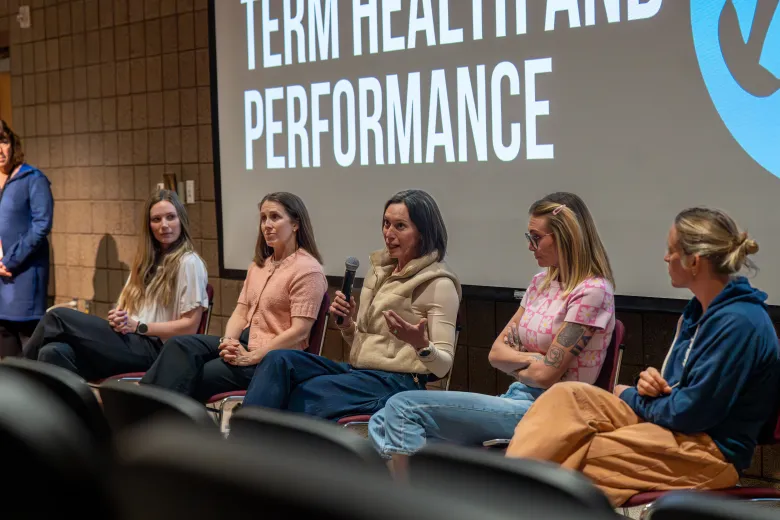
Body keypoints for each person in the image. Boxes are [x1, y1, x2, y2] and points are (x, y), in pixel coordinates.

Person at [505, 207, 780, 507]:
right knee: (566, 395)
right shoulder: (698, 313)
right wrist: (650, 385)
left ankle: (503, 502)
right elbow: (678, 392)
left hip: (709, 452)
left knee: (575, 453)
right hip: (674, 430)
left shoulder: (739, 322)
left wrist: (631, 395)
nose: (665, 258)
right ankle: (503, 494)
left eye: (671, 250)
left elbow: (691, 414)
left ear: (694, 261)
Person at [368, 192, 616, 473]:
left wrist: (528, 364)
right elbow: (496, 354)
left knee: (402, 408)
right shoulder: (541, 283)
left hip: (554, 409)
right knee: (382, 419)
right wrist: (534, 360)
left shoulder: (592, 292)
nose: (530, 246)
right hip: (516, 396)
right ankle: (435, 488)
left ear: (566, 238)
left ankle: (411, 496)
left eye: (536, 238)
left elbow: (546, 376)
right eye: (529, 237)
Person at [241, 189, 461, 420]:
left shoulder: (439, 283)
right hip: (359, 371)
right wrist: (347, 325)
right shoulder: (379, 271)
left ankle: (253, 437)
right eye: (386, 224)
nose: (388, 233)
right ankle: (245, 434)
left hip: (397, 382)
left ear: (423, 233)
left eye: (400, 226)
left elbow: (443, 367)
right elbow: (366, 343)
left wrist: (420, 344)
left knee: (309, 393)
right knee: (279, 359)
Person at [140, 192, 327, 402]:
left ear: (295, 224)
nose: (267, 225)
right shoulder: (258, 266)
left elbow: (300, 331)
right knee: (180, 346)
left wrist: (252, 356)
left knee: (195, 373)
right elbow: (240, 312)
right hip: (245, 344)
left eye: (275, 217)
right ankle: (143, 405)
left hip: (274, 359)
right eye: (263, 218)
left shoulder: (308, 270)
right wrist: (228, 342)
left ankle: (152, 412)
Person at [23, 190, 209, 380]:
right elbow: (125, 310)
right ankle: (58, 399)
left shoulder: (189, 262)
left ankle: (15, 380)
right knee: (52, 352)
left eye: (170, 217)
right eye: (156, 219)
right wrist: (118, 318)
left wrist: (139, 327)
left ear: (181, 220)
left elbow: (189, 327)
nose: (164, 225)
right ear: (149, 226)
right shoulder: (145, 262)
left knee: (56, 317)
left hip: (156, 349)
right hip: (128, 342)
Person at [0, 121, 54, 358]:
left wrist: (9, 261)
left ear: (12, 143)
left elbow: (42, 224)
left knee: (28, 350)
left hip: (22, 274)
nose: (0, 149)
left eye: (3, 141)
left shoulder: (33, 178)